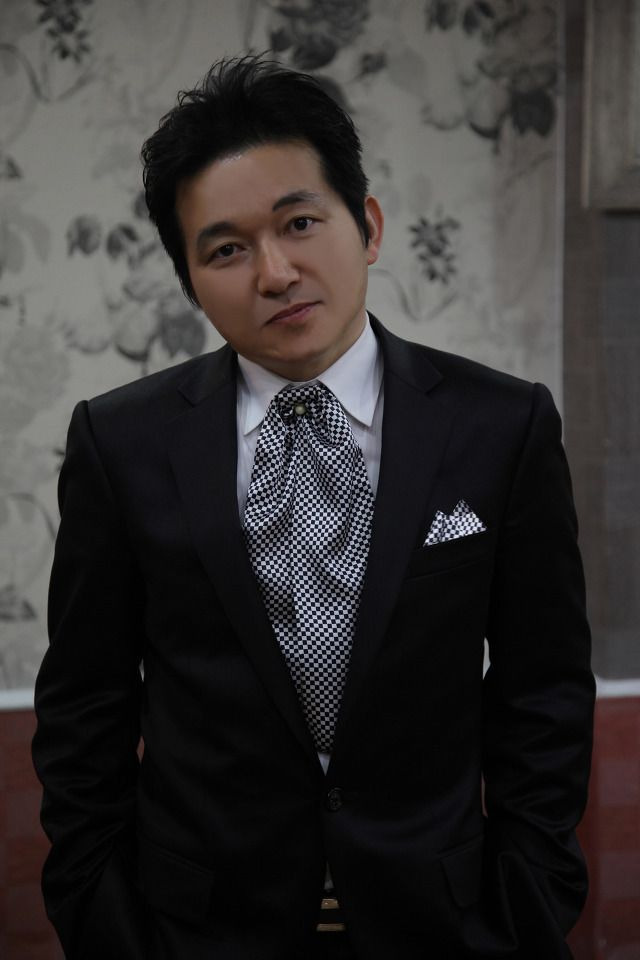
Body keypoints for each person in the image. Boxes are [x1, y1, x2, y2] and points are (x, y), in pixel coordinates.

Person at [32, 55, 595, 960]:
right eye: (225, 249)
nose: (275, 271)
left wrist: (526, 903)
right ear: (189, 277)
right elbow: (83, 709)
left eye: (300, 223)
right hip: (197, 930)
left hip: (446, 923)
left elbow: (545, 690)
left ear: (367, 226)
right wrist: (105, 921)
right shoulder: (120, 443)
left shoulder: (502, 425)